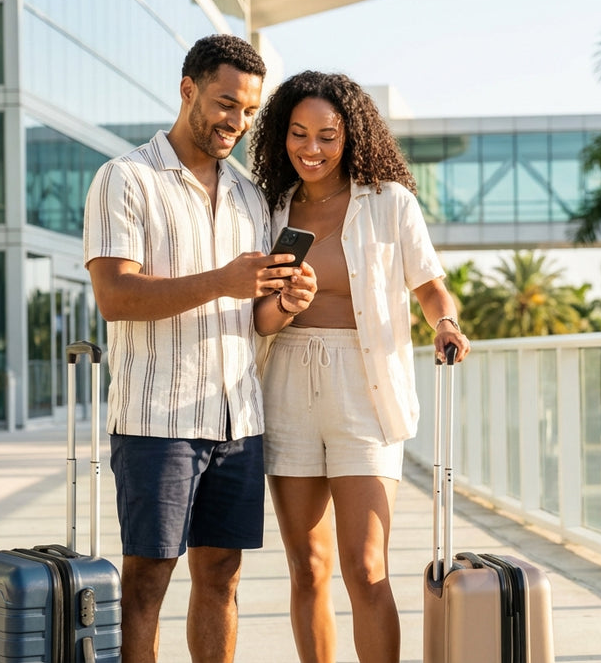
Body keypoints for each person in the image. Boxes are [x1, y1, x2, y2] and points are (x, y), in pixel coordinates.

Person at [82, 35, 317, 663]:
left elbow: (256, 317)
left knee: (222, 576)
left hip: (238, 420)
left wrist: (285, 303)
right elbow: (115, 295)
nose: (235, 123)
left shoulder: (249, 196)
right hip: (157, 418)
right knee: (147, 582)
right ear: (188, 90)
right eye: (224, 104)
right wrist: (222, 280)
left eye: (247, 111)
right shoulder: (124, 179)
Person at [249, 70, 471, 663]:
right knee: (307, 567)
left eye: (327, 135)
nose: (312, 149)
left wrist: (445, 323)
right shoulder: (268, 208)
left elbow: (429, 287)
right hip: (287, 383)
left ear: (352, 135)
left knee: (366, 567)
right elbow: (257, 313)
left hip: (364, 387)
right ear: (281, 136)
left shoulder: (389, 202)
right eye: (298, 134)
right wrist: (282, 305)